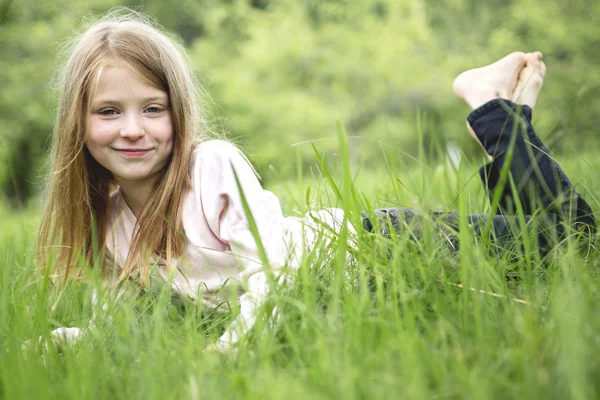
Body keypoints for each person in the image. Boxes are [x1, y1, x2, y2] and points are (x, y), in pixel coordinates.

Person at [34, 11, 595, 352]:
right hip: (348, 290)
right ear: (76, 124)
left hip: (380, 248)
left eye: (152, 109)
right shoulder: (104, 213)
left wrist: (232, 346)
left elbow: (272, 272)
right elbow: (127, 311)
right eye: (109, 112)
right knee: (544, 238)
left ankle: (486, 102)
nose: (133, 130)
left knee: (578, 240)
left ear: (178, 112)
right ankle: (509, 114)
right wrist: (73, 338)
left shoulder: (212, 167)